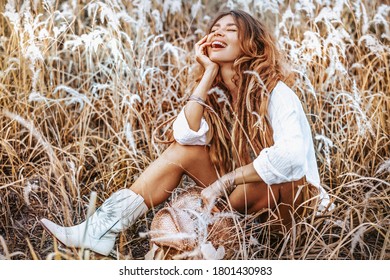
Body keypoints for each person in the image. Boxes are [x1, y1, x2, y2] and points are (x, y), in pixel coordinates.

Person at [40, 9, 333, 257]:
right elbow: (184, 136)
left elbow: (292, 158)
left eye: (231, 30)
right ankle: (100, 229)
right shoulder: (218, 97)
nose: (218, 33)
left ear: (253, 46)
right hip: (241, 204)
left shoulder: (276, 93)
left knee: (269, 176)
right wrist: (207, 74)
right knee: (183, 152)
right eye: (214, 29)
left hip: (289, 209)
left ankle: (211, 231)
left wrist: (225, 182)